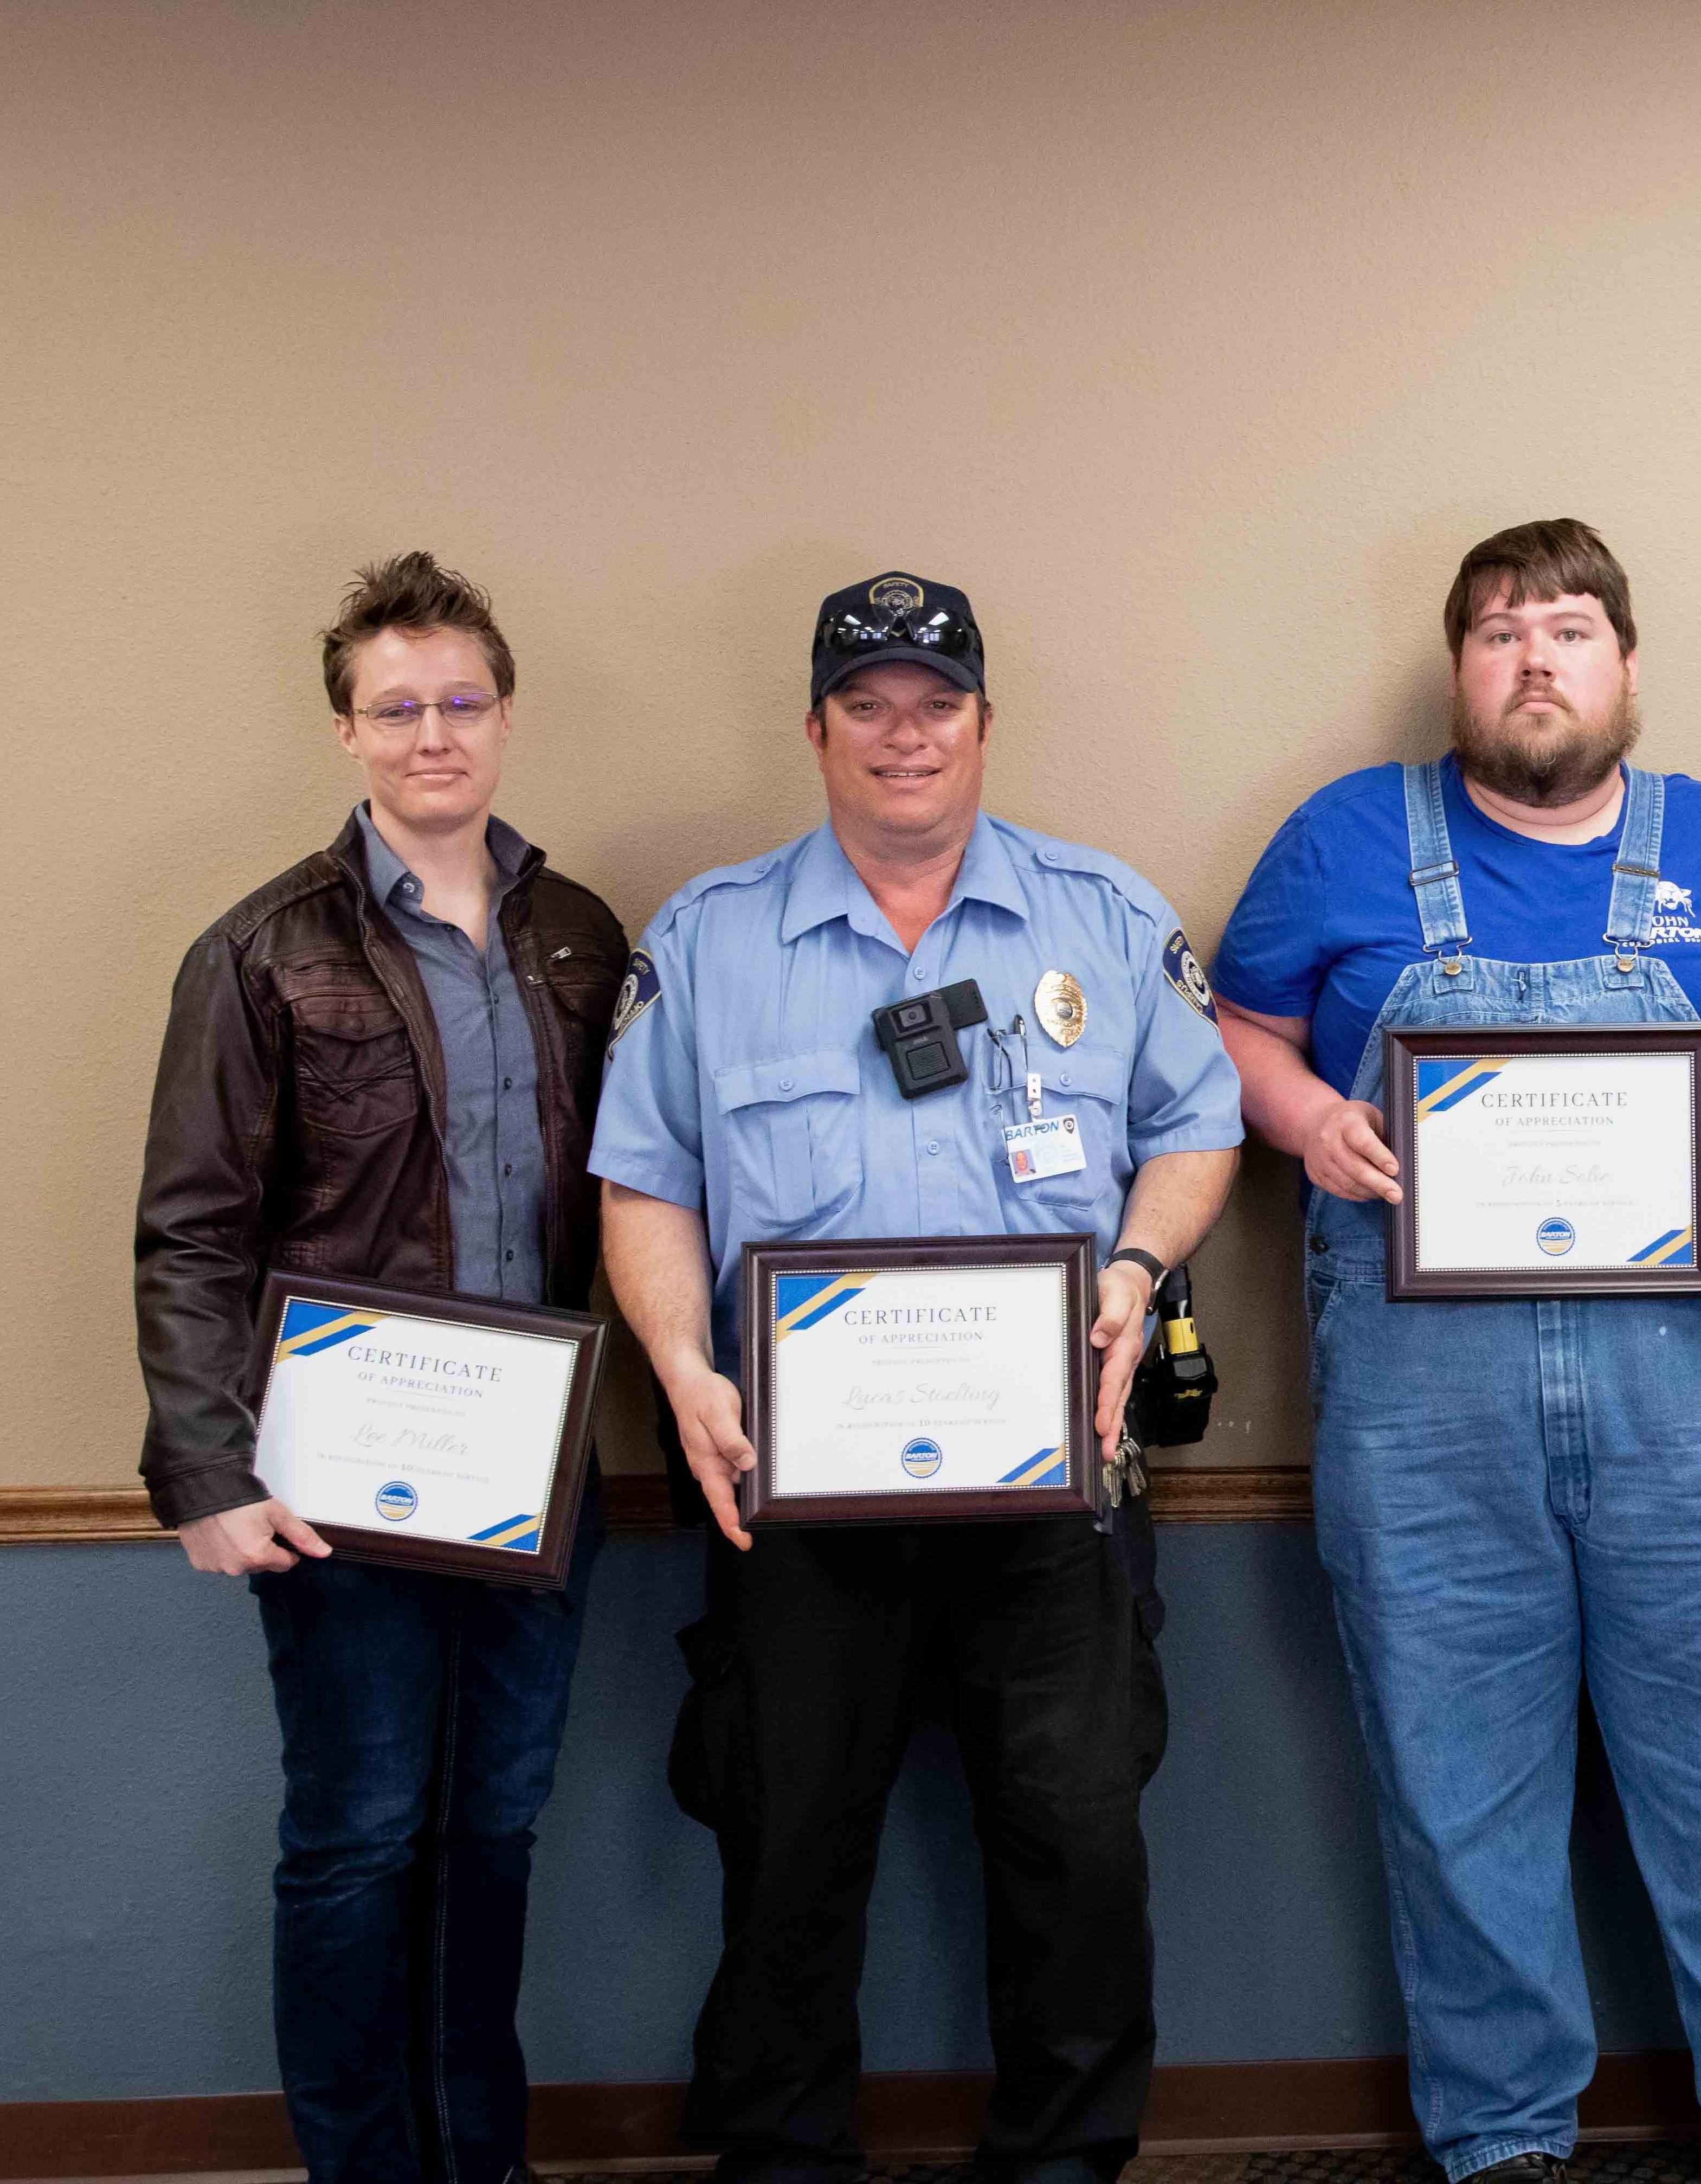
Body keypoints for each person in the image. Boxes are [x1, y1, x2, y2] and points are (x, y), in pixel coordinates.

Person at [1214, 519, 1701, 2184]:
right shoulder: (1345, 836)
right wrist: (1304, 1115)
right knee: (1457, 1784)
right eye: (1503, 631)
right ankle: (1505, 2136)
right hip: (1424, 1417)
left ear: (1626, 665)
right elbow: (1232, 1024)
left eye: (1570, 629)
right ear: (1459, 669)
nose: (1536, 659)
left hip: (1691, 1406)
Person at [591, 571, 1242, 2184]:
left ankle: (1065, 2159)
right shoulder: (711, 936)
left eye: (933, 703)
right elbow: (644, 1178)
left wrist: (1139, 1270)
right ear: (815, 727)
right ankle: (781, 2156)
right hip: (795, 1495)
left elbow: (1200, 1123)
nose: (903, 735)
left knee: (1076, 1849)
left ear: (981, 724)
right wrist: (678, 1360)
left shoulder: (1097, 916)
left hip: (1053, 1478)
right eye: (867, 703)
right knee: (787, 1846)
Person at [133, 552, 629, 2184]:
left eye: (461, 701)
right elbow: (191, 1232)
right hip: (333, 1488)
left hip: (537, 1476)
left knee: (492, 1829)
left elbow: (642, 1196)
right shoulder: (260, 952)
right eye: (395, 708)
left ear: (506, 715)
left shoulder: (577, 935)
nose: (434, 734)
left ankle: (479, 2158)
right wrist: (207, 1468)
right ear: (347, 733)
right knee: (354, 1838)